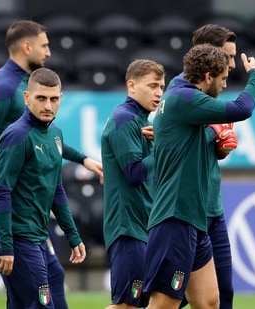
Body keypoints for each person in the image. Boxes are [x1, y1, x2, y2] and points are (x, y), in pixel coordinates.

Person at [0, 20, 102, 309]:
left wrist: (82, 159)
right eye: (44, 45)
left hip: (17, 196)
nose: (48, 52)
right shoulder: (3, 89)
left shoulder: (23, 84)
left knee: (9, 278)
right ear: (27, 46)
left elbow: (43, 140)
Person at [143, 44, 255, 309]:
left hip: (193, 219)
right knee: (164, 305)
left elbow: (192, 140)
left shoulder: (180, 95)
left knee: (209, 302)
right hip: (175, 218)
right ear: (208, 76)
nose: (223, 86)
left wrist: (212, 134)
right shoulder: (185, 99)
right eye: (223, 79)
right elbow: (242, 109)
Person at [0, 67, 87, 308]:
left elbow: (57, 189)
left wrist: (73, 235)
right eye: (41, 98)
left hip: (38, 236)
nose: (48, 105)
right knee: (44, 304)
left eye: (53, 99)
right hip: (18, 238)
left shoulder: (55, 134)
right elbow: (2, 190)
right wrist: (6, 244)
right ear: (27, 97)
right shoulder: (16, 135)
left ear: (60, 99)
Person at [100, 59, 165, 309]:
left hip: (145, 224)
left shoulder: (144, 121)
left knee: (159, 300)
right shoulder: (124, 119)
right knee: (127, 305)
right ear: (131, 85)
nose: (159, 92)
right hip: (128, 227)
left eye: (161, 86)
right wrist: (162, 149)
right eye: (152, 86)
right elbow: (134, 173)